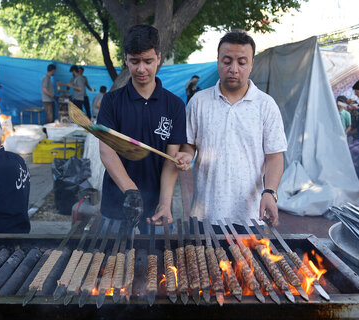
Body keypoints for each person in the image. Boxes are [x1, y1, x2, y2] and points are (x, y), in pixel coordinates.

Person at [175, 31, 287, 229]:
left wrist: (270, 191)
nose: (234, 69)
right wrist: (185, 155)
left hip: (251, 216)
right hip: (204, 214)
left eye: (242, 62)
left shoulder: (266, 105)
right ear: (218, 61)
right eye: (227, 61)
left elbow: (275, 156)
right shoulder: (198, 102)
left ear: (251, 64)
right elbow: (189, 145)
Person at [97, 24, 187, 233]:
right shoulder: (111, 101)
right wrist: (131, 192)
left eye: (148, 61)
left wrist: (165, 203)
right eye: (134, 61)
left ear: (158, 58)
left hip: (157, 207)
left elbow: (170, 159)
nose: (141, 69)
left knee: (159, 264)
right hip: (117, 204)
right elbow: (106, 151)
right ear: (126, 60)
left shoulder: (174, 106)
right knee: (110, 263)